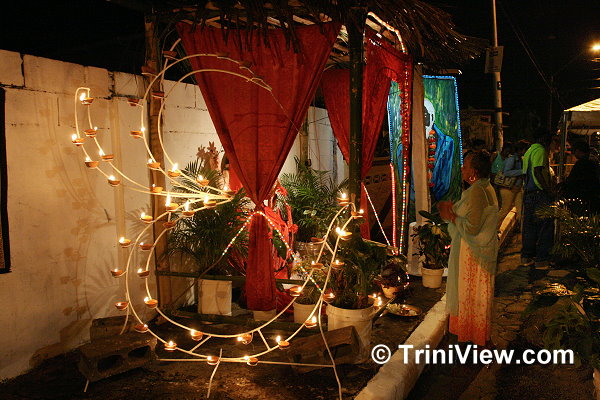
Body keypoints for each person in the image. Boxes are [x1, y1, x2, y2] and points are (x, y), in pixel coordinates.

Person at [438, 150, 499, 346]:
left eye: (465, 167)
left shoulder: (477, 192)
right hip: (478, 252)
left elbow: (472, 227)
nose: (462, 170)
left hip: (473, 255)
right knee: (478, 296)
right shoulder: (485, 187)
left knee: (471, 296)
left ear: (473, 172)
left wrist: (451, 215)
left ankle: (473, 336)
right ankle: (477, 336)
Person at [521, 130, 555, 269]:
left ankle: (526, 257)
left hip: (529, 193)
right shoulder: (540, 150)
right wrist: (548, 190)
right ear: (544, 139)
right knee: (546, 226)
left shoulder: (529, 150)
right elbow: (537, 171)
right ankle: (541, 260)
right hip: (539, 193)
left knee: (530, 226)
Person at [497, 140, 529, 229]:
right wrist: (522, 171)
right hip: (508, 188)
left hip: (516, 188)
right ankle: (493, 229)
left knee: (521, 211)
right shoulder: (512, 159)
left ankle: (522, 230)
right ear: (521, 150)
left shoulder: (519, 159)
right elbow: (506, 172)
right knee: (505, 211)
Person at [562, 141, 600, 213]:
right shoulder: (594, 160)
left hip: (583, 197)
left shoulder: (582, 163)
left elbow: (573, 180)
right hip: (593, 196)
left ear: (578, 151)